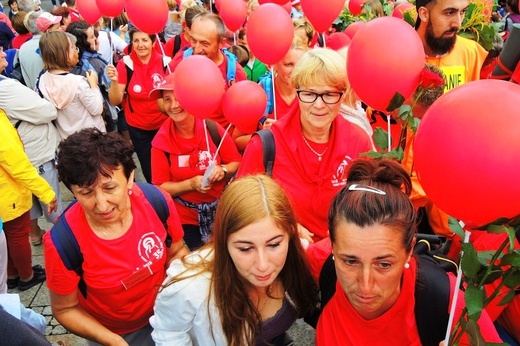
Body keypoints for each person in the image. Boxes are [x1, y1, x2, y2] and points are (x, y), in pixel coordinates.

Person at [316, 158, 502, 345]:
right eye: (350, 261)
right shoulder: (319, 261)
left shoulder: (447, 302)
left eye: (384, 264)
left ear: (409, 250)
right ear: (332, 244)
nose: (365, 286)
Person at [43, 128, 189, 346]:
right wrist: (111, 340)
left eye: (109, 188)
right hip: (113, 332)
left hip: (169, 314)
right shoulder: (63, 242)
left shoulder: (156, 201)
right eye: (86, 193)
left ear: (130, 177)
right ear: (73, 192)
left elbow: (176, 251)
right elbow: (65, 308)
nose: (102, 205)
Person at [150, 175, 318, 345]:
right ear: (224, 242)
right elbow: (169, 333)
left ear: (290, 234)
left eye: (274, 245)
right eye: (245, 249)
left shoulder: (301, 258)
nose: (262, 265)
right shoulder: (190, 287)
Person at [237, 48, 373, 243]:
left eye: (329, 94)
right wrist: (282, 224)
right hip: (285, 264)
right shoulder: (266, 145)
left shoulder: (358, 141)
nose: (319, 105)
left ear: (343, 96)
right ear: (297, 91)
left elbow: (368, 204)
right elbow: (241, 208)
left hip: (339, 262)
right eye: (309, 94)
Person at [150, 74, 241, 250]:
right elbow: (160, 187)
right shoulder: (160, 143)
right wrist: (190, 184)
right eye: (167, 99)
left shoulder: (212, 128)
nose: (174, 105)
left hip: (223, 210)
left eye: (178, 98)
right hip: (187, 218)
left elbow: (235, 162)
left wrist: (222, 170)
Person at [0, 108, 57, 291]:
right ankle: (26, 276)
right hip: (8, 193)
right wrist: (46, 192)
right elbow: (18, 166)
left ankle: (12, 275)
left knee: (6, 236)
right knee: (17, 235)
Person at [106, 28, 170, 183]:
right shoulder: (125, 64)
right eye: (136, 41)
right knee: (150, 172)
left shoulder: (165, 62)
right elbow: (115, 100)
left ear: (153, 42)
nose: (140, 45)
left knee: (168, 167)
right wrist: (114, 82)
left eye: (145, 40)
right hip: (139, 128)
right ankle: (157, 200)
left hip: (164, 125)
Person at [168, 12, 247, 129]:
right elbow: (165, 100)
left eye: (205, 43)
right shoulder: (180, 61)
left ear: (221, 43)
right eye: (194, 40)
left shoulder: (235, 73)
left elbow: (242, 116)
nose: (197, 49)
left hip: (220, 141)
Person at [38, 31, 105, 140]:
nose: (77, 51)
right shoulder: (78, 82)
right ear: (65, 53)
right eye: (73, 48)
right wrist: (93, 84)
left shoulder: (43, 79)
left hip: (67, 140)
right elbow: (97, 109)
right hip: (91, 140)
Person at [415, 0, 489, 90]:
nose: (458, 23)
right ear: (424, 14)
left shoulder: (472, 52)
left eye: (463, 12)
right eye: (449, 13)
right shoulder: (398, 54)